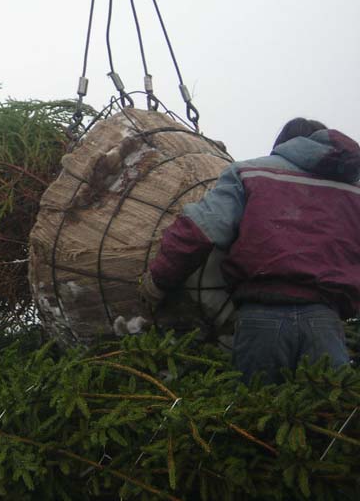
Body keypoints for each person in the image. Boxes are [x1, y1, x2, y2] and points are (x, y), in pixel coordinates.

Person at [139, 118, 360, 384]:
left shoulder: (251, 173)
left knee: (255, 406)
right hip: (326, 323)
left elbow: (199, 230)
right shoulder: (353, 192)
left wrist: (158, 282)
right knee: (330, 406)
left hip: (262, 319)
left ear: (284, 145)